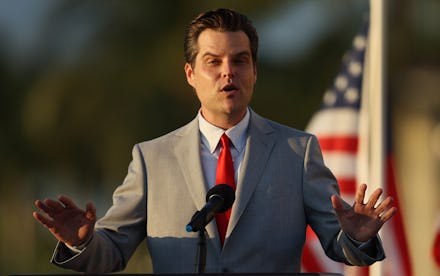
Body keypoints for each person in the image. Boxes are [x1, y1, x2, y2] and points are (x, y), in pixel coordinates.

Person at [33, 8, 396, 274]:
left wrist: (357, 238)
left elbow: (339, 246)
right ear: (190, 74)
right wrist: (80, 241)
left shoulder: (297, 152)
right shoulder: (151, 158)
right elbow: (111, 252)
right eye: (213, 61)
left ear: (254, 72)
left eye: (240, 61)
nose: (228, 72)